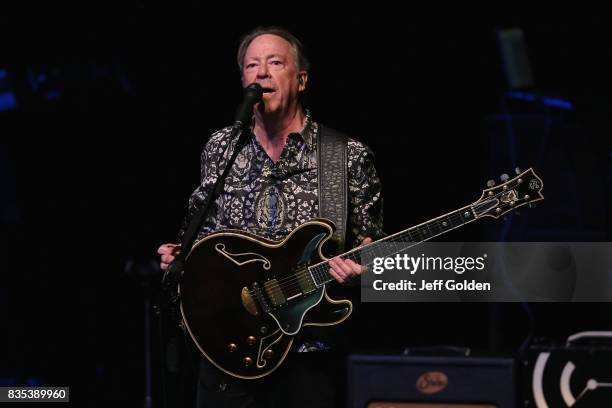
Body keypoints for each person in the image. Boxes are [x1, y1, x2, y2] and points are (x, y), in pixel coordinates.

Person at [158, 26, 383, 408]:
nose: (261, 72)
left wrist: (362, 268)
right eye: (252, 65)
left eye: (275, 63)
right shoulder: (221, 147)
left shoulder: (346, 156)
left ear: (301, 80)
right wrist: (180, 253)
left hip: (307, 354)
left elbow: (372, 247)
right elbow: (202, 230)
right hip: (226, 346)